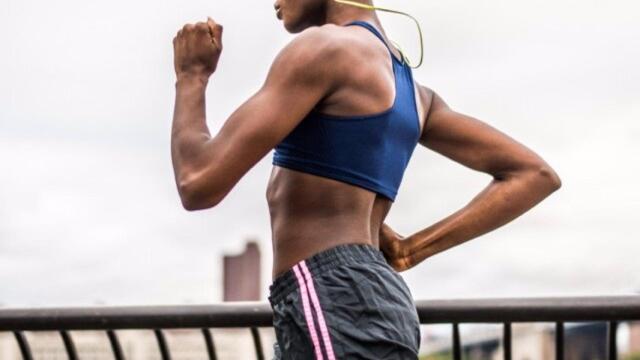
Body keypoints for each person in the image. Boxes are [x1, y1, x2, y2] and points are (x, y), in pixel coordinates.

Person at [170, 0, 562, 358]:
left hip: (331, 296)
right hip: (372, 298)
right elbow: (533, 174)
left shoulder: (324, 50)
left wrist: (192, 75)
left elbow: (199, 182)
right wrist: (411, 249)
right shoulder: (415, 93)